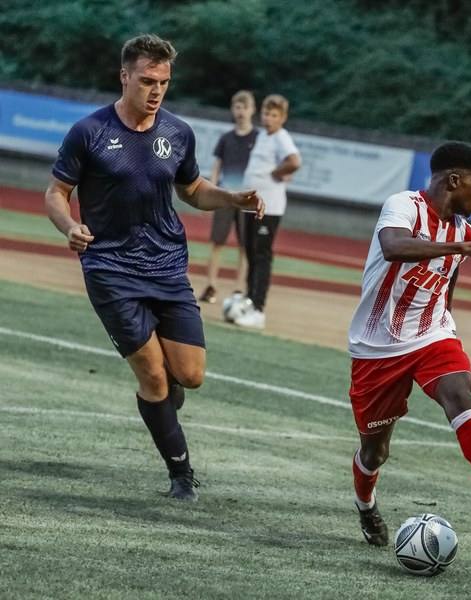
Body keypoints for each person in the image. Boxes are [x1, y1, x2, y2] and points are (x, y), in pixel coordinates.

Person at [44, 34, 264, 502]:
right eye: (147, 80)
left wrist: (231, 198)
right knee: (152, 374)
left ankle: (164, 399)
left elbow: (193, 189)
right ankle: (181, 473)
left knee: (191, 375)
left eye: (163, 81)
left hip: (166, 266)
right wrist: (69, 226)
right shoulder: (89, 131)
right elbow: (56, 192)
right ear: (124, 76)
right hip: (109, 268)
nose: (156, 90)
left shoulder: (178, 132)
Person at [348, 141, 471, 546]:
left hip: (431, 334)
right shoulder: (404, 205)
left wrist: (447, 332)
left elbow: (446, 289)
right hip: (376, 347)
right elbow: (393, 247)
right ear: (454, 180)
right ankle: (365, 503)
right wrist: (462, 247)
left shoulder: (465, 231)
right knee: (375, 452)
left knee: (458, 393)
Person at [234, 94, 301, 329]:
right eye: (265, 113)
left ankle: (258, 309)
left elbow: (294, 161)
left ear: (282, 118)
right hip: (252, 206)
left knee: (261, 256)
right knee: (251, 254)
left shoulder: (281, 137)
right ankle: (250, 299)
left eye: (274, 115)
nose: (268, 118)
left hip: (269, 207)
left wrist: (276, 173)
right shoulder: (263, 135)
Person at [198, 90, 258, 304]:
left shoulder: (258, 139)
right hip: (225, 195)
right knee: (217, 242)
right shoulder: (226, 138)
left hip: (247, 197)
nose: (240, 112)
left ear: (252, 110)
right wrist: (210, 194)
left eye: (244, 107)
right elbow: (217, 168)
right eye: (237, 107)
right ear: (233, 110)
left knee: (245, 246)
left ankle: (239, 289)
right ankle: (211, 285)